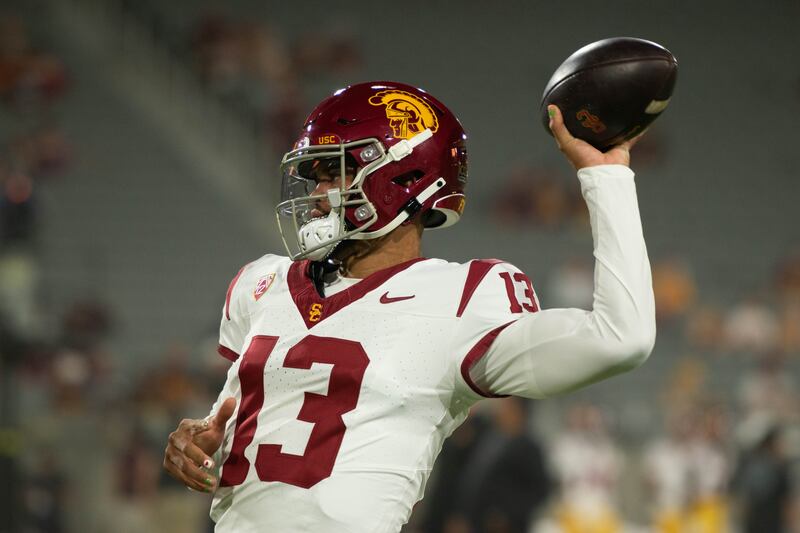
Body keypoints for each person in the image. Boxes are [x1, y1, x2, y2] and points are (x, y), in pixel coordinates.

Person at [162, 81, 656, 532]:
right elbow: (236, 423)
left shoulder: (462, 297)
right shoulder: (261, 282)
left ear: (402, 175)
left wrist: (606, 179)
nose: (315, 196)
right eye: (312, 177)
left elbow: (621, 338)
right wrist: (199, 442)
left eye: (334, 173)